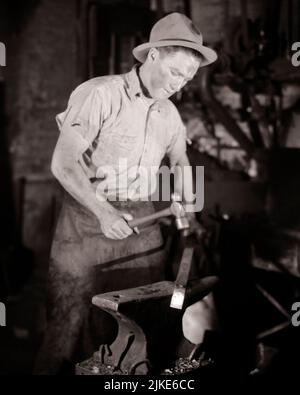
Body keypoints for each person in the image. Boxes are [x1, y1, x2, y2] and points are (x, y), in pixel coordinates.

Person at [33, 12, 217, 374]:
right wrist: (103, 212)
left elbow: (180, 161)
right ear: (153, 56)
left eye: (189, 78)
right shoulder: (99, 93)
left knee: (141, 326)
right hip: (85, 224)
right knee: (68, 328)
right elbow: (63, 164)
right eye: (175, 72)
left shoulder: (169, 113)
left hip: (142, 230)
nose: (179, 84)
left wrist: (190, 214)